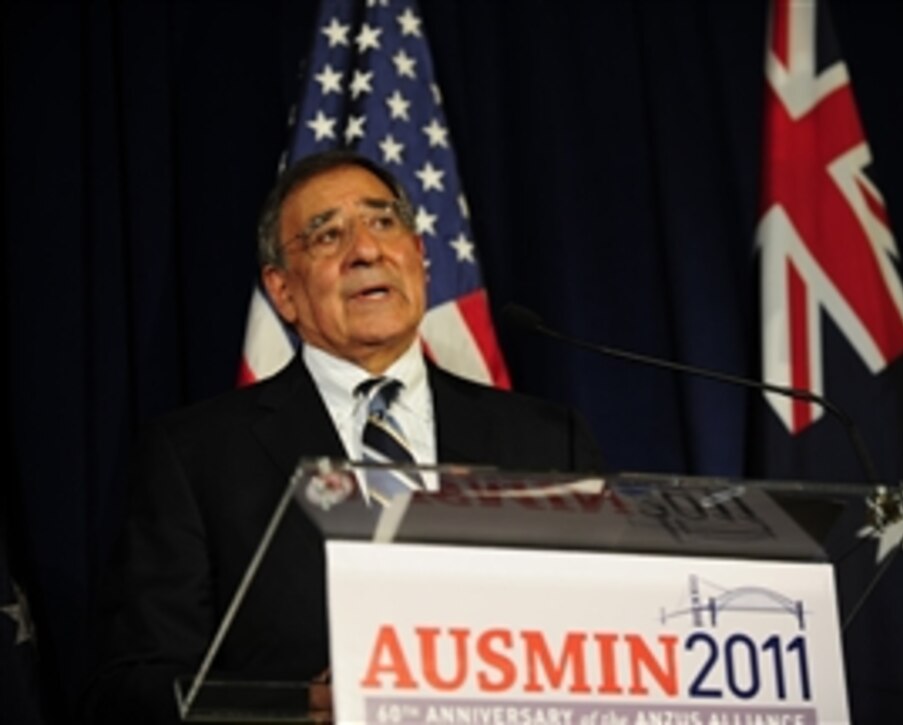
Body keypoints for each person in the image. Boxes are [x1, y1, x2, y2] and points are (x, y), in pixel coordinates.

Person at [82, 150, 602, 723]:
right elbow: (136, 686)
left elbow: (612, 635)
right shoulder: (194, 456)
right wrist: (297, 707)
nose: (366, 250)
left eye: (383, 222)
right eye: (327, 236)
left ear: (420, 258)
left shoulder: (548, 442)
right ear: (282, 291)